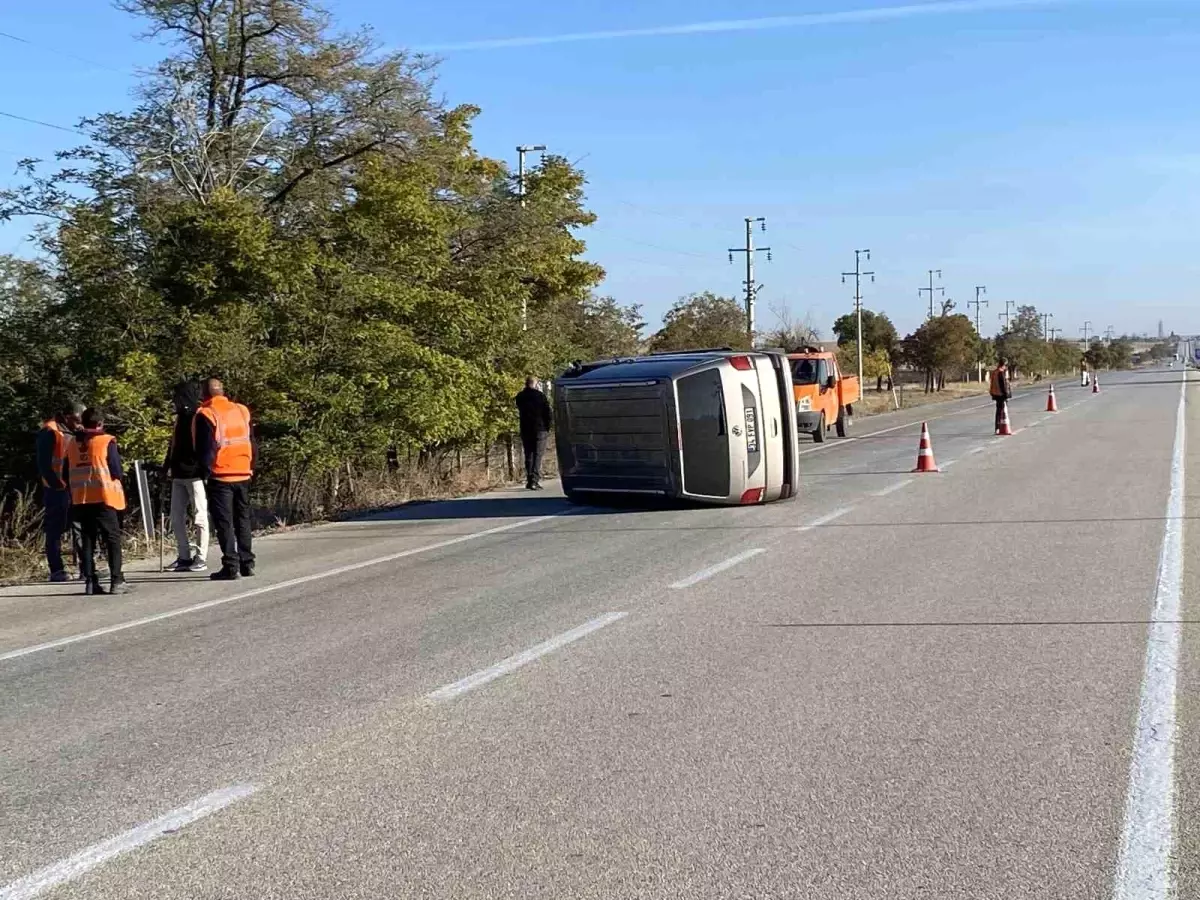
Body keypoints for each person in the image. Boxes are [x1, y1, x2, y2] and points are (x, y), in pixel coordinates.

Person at [193, 377, 256, 581]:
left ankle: (231, 565)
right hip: (243, 471)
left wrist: (205, 472)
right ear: (222, 391)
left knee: (225, 522)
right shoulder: (241, 410)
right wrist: (251, 466)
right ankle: (247, 563)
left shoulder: (207, 414)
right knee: (242, 519)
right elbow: (252, 442)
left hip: (221, 475)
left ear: (204, 394)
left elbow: (206, 449)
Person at [65, 408, 129, 595]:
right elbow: (116, 470)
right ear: (100, 423)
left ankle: (91, 582)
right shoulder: (105, 441)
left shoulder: (72, 444)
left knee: (87, 539)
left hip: (81, 498)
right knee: (112, 539)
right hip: (104, 496)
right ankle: (117, 581)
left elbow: (64, 472)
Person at [163, 380, 209, 572]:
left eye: (177, 397)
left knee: (200, 517)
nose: (175, 401)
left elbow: (205, 447)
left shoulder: (199, 416)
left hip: (196, 475)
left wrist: (205, 471)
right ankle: (184, 556)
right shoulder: (179, 418)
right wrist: (166, 467)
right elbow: (172, 446)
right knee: (176, 517)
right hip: (178, 474)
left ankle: (201, 557)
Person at [37, 401, 84, 582]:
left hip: (75, 488)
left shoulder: (73, 431)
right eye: (77, 419)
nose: (80, 423)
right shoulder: (49, 431)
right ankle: (56, 570)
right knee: (55, 529)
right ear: (66, 416)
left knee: (79, 527)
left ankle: (86, 567)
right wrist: (56, 484)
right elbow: (43, 464)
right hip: (56, 489)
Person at [515, 376, 552, 490]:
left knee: (528, 454)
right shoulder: (540, 396)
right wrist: (548, 426)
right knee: (538, 455)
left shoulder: (520, 396)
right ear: (535, 384)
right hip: (540, 428)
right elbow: (547, 412)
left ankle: (529, 479)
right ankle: (534, 480)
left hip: (526, 428)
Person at [989, 357, 1013, 434]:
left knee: (998, 412)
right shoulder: (1001, 373)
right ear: (1004, 365)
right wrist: (1007, 395)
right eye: (1006, 365)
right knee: (1003, 411)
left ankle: (997, 428)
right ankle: (1002, 427)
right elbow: (1003, 385)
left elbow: (992, 383)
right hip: (1001, 395)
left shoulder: (994, 372)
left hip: (996, 394)